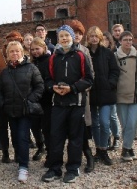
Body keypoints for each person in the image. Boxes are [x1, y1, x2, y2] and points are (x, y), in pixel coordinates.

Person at [41, 25, 93, 184]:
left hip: (76, 103)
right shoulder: (53, 57)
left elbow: (89, 79)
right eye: (61, 36)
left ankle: (73, 168)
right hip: (58, 103)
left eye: (67, 36)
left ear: (72, 37)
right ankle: (55, 168)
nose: (64, 39)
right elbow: (48, 79)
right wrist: (53, 88)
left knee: (75, 138)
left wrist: (72, 88)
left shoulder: (80, 56)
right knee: (56, 136)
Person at [0, 41, 44, 183]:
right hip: (11, 110)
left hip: (25, 111)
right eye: (12, 51)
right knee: (15, 137)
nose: (15, 54)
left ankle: (23, 166)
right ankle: (20, 157)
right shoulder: (5, 72)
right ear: (8, 54)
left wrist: (30, 100)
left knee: (23, 137)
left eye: (17, 51)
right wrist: (3, 104)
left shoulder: (31, 68)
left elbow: (39, 86)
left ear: (22, 53)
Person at [86, 26, 120, 166]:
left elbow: (115, 71)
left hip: (106, 93)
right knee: (94, 123)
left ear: (100, 37)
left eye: (96, 36)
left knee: (105, 123)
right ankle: (98, 149)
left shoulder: (107, 53)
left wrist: (110, 83)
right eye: (91, 36)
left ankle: (104, 149)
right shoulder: (86, 53)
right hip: (91, 93)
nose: (94, 38)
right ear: (88, 38)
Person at [0, 30, 23, 163]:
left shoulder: (21, 56)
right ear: (6, 41)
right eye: (10, 39)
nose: (13, 42)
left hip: (15, 99)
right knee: (1, 126)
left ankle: (17, 151)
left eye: (17, 40)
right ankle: (5, 152)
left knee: (15, 127)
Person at [115, 31, 137, 161]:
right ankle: (128, 148)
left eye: (130, 39)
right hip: (120, 96)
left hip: (136, 95)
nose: (128, 42)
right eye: (126, 40)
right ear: (120, 41)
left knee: (132, 123)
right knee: (125, 124)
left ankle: (126, 149)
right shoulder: (115, 56)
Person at [70, 19, 95, 173]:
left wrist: (84, 87)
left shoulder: (85, 51)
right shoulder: (59, 50)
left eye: (80, 33)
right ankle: (73, 159)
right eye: (75, 33)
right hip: (65, 95)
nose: (77, 36)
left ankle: (88, 155)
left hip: (81, 94)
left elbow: (91, 74)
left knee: (83, 126)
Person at [29, 37, 50, 164]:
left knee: (47, 127)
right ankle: (40, 146)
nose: (35, 52)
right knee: (35, 126)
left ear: (43, 48)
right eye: (32, 50)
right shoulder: (31, 63)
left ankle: (49, 149)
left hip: (46, 98)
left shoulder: (49, 61)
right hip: (34, 99)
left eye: (37, 49)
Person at [103, 31, 120, 150]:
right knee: (103, 117)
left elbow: (115, 71)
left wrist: (111, 84)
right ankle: (107, 137)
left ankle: (116, 136)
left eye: (105, 39)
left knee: (112, 115)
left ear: (109, 41)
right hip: (100, 89)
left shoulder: (112, 53)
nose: (103, 42)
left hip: (110, 88)